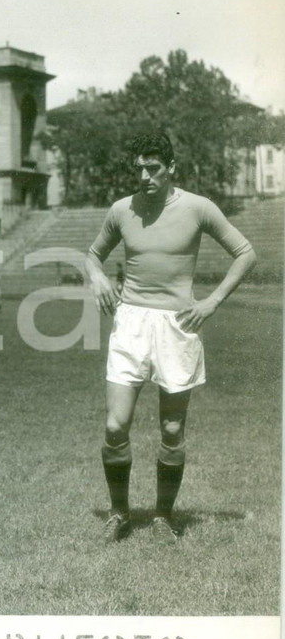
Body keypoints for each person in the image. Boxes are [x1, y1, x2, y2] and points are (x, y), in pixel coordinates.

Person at [85, 132, 256, 544]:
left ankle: (162, 516)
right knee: (114, 425)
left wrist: (211, 302)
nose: (144, 176)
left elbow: (246, 252)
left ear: (171, 168)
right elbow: (92, 255)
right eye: (139, 168)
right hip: (130, 323)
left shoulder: (198, 208)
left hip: (178, 324)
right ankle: (119, 512)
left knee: (173, 429)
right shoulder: (122, 210)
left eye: (154, 168)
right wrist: (97, 276)